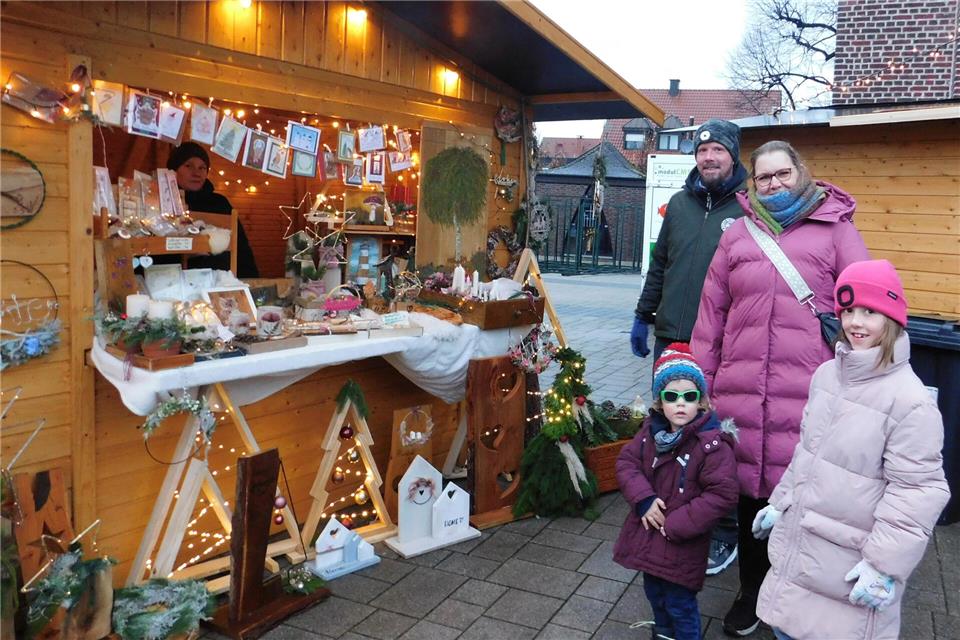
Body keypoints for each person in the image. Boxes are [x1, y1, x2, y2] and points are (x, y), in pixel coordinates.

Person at [690, 140, 870, 636]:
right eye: (764, 177)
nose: (773, 184)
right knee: (750, 496)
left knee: (804, 502)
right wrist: (701, 381)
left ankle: (797, 595)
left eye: (782, 173)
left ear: (801, 172)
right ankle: (752, 593)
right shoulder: (737, 235)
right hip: (742, 391)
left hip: (812, 394)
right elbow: (711, 314)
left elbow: (865, 309)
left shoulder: (837, 229)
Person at [751, 260, 950, 640]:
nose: (856, 322)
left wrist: (883, 565)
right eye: (848, 311)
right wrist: (781, 501)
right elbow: (807, 453)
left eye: (870, 312)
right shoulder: (826, 376)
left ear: (892, 318)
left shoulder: (910, 402)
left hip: (850, 569)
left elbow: (917, 492)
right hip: (801, 555)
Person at [631, 118, 747, 577]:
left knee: (714, 434)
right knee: (666, 424)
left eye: (718, 150)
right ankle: (664, 507)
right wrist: (643, 315)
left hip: (717, 342)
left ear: (733, 156)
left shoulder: (747, 209)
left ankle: (724, 529)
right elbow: (660, 264)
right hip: (669, 336)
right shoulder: (679, 205)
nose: (709, 158)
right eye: (702, 151)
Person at [613, 344, 739, 640]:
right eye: (672, 396)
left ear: (701, 400)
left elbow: (722, 493)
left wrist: (678, 523)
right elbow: (627, 463)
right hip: (649, 538)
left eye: (689, 396)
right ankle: (663, 634)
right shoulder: (650, 433)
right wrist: (643, 499)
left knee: (680, 604)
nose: (680, 404)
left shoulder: (711, 445)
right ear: (660, 402)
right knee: (655, 595)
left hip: (682, 543)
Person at [166, 142, 259, 277]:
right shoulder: (162, 202)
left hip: (220, 282)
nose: (196, 173)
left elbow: (241, 248)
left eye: (202, 168)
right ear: (174, 170)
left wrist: (251, 282)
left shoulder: (220, 203)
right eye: (188, 166)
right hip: (171, 282)